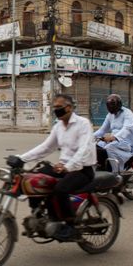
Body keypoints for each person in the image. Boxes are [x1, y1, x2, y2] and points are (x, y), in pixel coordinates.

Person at [15, 94, 97, 241]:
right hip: (62, 168)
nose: (56, 111)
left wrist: (68, 166)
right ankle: (39, 216)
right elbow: (46, 147)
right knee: (31, 179)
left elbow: (84, 149)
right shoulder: (58, 126)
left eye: (59, 107)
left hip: (82, 170)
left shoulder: (83, 123)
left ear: (69, 107)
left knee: (60, 189)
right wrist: (21, 159)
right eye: (54, 108)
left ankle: (70, 227)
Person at [94, 94, 133, 173]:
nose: (111, 108)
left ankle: (116, 173)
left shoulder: (128, 114)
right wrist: (88, 137)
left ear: (118, 105)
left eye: (112, 105)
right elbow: (102, 130)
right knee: (96, 147)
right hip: (115, 142)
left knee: (109, 148)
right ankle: (103, 168)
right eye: (109, 106)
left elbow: (126, 129)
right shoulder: (110, 115)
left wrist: (113, 137)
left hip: (128, 143)